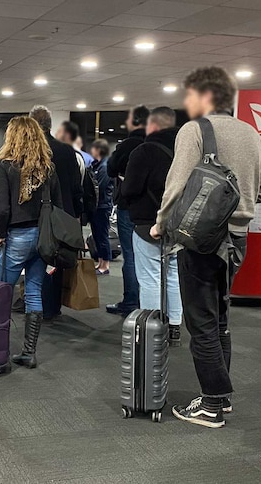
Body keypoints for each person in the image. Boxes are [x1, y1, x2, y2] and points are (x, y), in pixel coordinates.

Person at [152, 66, 261, 428]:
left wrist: (160, 224)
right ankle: (222, 396)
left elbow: (176, 186)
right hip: (238, 240)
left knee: (200, 321)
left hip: (203, 240)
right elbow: (260, 190)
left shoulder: (195, 130)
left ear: (205, 96)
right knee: (219, 318)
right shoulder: (253, 134)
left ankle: (212, 405)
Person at [0, 116, 63, 369]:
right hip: (42, 239)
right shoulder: (47, 168)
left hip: (17, 237)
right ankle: (29, 352)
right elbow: (58, 207)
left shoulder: (3, 166)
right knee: (33, 292)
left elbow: (2, 210)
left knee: (0, 293)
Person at [120, 107, 183, 347]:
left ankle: (152, 327)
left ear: (153, 125)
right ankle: (175, 326)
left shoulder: (144, 151)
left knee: (149, 278)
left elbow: (130, 189)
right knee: (174, 276)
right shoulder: (186, 150)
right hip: (179, 224)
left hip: (148, 223)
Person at [28, 106, 82, 320]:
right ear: (51, 125)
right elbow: (77, 186)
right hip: (63, 214)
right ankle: (52, 306)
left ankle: (36, 304)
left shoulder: (29, 151)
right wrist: (77, 214)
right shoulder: (67, 150)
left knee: (36, 258)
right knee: (56, 259)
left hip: (36, 215)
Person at [106, 105, 150, 315]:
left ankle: (131, 302)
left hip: (128, 207)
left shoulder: (129, 144)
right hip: (154, 209)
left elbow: (110, 168)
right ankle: (149, 303)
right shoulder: (157, 143)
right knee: (153, 258)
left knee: (130, 255)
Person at [89, 139, 113, 275]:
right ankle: (100, 262)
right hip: (96, 207)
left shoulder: (104, 167)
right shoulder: (96, 165)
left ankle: (106, 265)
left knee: (102, 235)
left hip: (102, 206)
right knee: (97, 235)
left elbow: (99, 186)